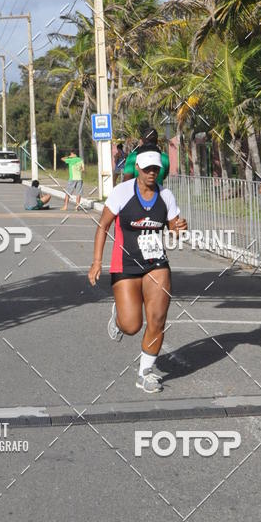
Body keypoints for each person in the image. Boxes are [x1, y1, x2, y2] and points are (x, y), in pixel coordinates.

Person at [89, 147, 187, 394]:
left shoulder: (166, 196)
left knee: (157, 319)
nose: (152, 173)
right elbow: (103, 226)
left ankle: (146, 373)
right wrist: (97, 262)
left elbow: (176, 228)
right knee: (132, 325)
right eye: (147, 169)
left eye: (156, 169)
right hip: (126, 265)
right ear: (138, 170)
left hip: (156, 264)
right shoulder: (122, 192)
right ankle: (119, 316)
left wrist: (180, 228)